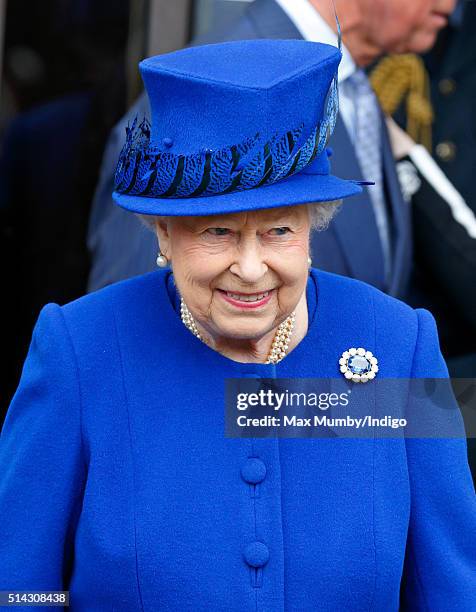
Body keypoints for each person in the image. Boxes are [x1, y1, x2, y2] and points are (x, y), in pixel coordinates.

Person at [1, 39, 475, 610]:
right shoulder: (80, 348)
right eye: (217, 232)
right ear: (163, 233)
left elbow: (451, 589)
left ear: (312, 226)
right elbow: (23, 586)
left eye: (279, 231)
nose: (251, 270)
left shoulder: (398, 343)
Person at [86, 0, 455, 296]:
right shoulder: (215, 84)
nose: (452, 7)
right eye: (219, 230)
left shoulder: (353, 83)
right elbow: (132, 312)